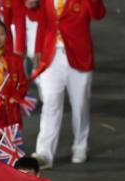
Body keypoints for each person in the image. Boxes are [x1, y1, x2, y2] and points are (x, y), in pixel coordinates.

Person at [29, 0, 106, 167]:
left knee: (80, 105)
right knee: (50, 103)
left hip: (79, 55)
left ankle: (80, 146)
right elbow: (43, 20)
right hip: (51, 55)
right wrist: (38, 49)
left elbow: (98, 14)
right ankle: (44, 153)